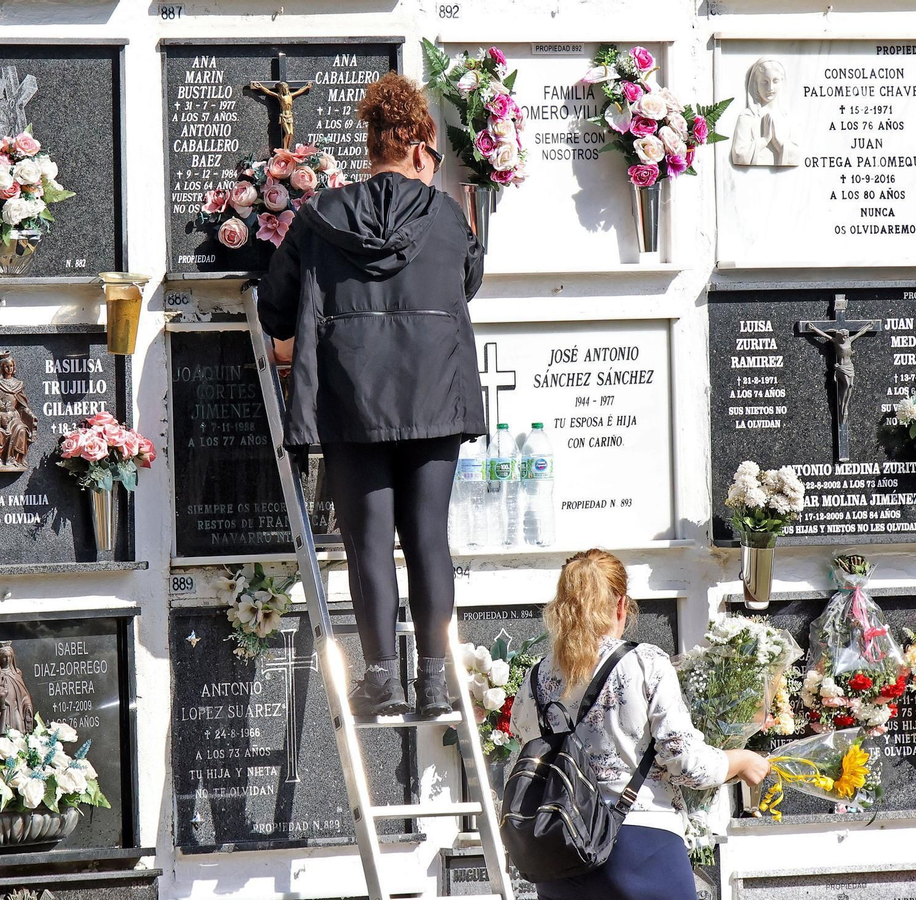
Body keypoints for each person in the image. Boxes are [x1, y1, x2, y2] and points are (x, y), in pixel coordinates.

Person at [259, 72, 485, 717]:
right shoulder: (446, 216)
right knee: (428, 539)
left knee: (367, 540)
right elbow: (466, 285)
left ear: (371, 143)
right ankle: (436, 680)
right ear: (420, 147)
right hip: (435, 398)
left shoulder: (321, 215)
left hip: (353, 399)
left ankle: (382, 677)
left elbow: (276, 309)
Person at [509, 551, 772, 900]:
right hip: (640, 847)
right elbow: (686, 763)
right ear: (621, 605)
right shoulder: (645, 663)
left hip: (560, 856)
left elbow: (524, 754)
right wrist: (742, 760)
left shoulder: (535, 678)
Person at [730, 57, 802, 167]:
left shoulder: (788, 118)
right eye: (765, 82)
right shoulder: (747, 117)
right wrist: (764, 140)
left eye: (775, 81)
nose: (770, 87)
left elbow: (797, 156)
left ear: (781, 82)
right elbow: (739, 156)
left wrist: (778, 143)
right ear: (756, 84)